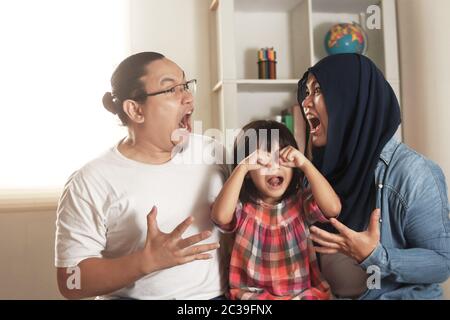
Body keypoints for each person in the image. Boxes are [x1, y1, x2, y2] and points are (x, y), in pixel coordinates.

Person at [55, 52, 228, 299]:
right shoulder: (90, 180)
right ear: (135, 110)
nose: (188, 98)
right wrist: (147, 261)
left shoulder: (213, 152)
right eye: (171, 90)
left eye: (186, 85)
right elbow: (70, 282)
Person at [297, 53, 450, 299]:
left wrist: (374, 256)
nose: (305, 102)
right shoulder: (315, 174)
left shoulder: (413, 173)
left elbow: (442, 263)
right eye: (306, 92)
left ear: (349, 100)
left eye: (317, 90)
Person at [211, 120, 341, 300]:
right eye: (262, 160)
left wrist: (306, 165)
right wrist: (242, 168)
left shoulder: (300, 203)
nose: (274, 166)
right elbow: (220, 217)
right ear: (249, 173)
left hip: (300, 294)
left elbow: (333, 208)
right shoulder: (243, 207)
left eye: (282, 157)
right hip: (252, 296)